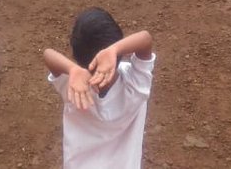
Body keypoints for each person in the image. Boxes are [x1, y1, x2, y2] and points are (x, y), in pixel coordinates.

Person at [43, 9, 155, 168]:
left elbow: (48, 54)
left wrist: (72, 69)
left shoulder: (74, 88)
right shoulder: (136, 86)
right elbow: (145, 39)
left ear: (76, 54)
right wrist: (114, 49)